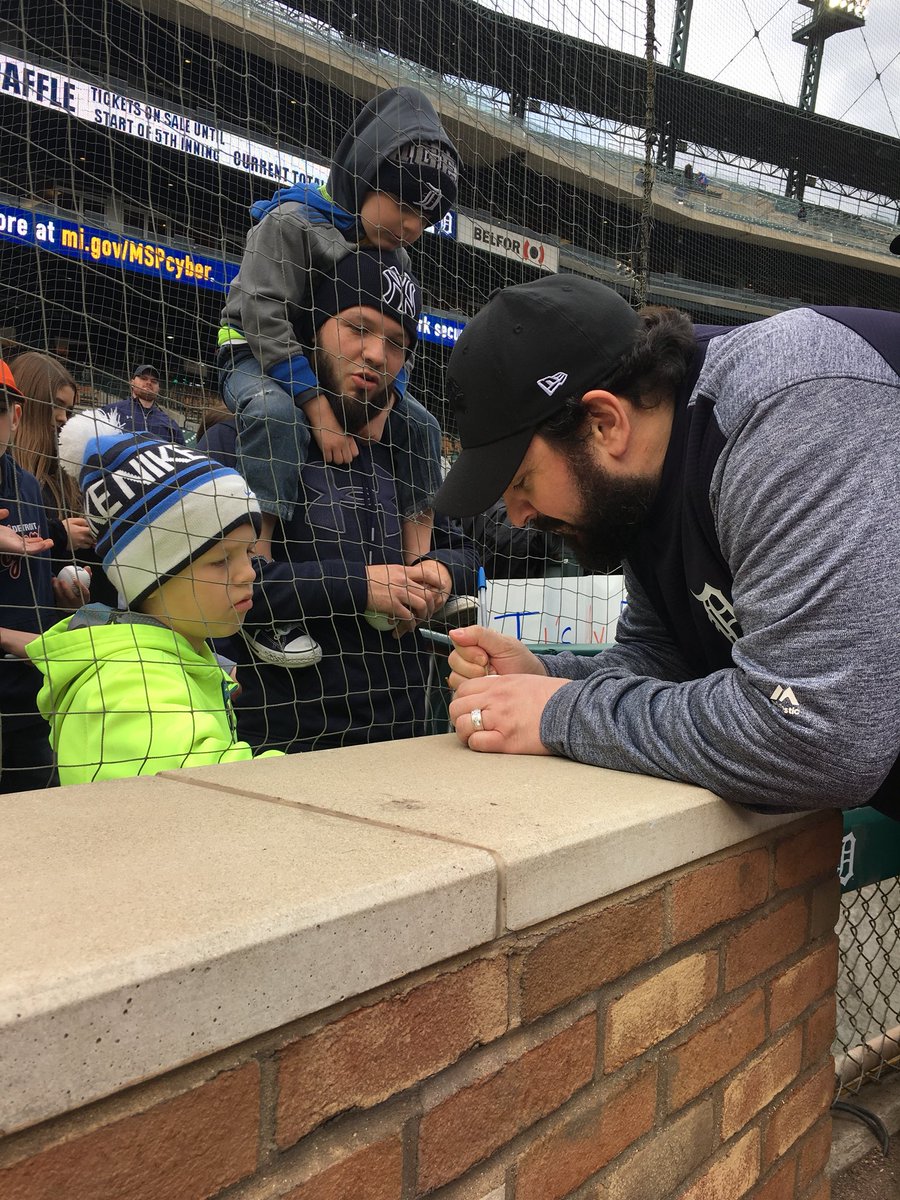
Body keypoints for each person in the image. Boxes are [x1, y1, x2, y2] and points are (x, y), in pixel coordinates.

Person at [433, 274, 900, 818]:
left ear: (605, 423)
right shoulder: (636, 483)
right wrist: (548, 678)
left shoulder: (789, 415)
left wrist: (558, 712)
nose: (517, 515)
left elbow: (821, 739)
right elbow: (669, 656)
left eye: (522, 481)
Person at [218, 86, 459, 663]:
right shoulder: (292, 222)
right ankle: (262, 590)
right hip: (256, 357)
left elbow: (402, 342)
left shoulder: (393, 256)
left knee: (422, 427)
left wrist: (384, 406)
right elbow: (266, 319)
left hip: (335, 376)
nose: (411, 226)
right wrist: (320, 412)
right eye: (402, 205)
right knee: (277, 417)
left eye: (424, 217)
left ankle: (414, 576)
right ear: (363, 178)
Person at [216, 247, 478, 754]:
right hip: (283, 739)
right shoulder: (244, 439)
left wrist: (439, 572)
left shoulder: (407, 447)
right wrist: (359, 586)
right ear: (315, 331)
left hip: (402, 730)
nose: (376, 355)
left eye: (396, 343)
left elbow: (468, 554)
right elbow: (226, 588)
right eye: (357, 328)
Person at [26, 409, 281, 784]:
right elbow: (228, 798)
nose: (247, 573)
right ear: (150, 576)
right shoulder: (133, 689)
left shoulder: (172, 658)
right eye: (220, 560)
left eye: (247, 553)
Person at [0, 360, 87, 793]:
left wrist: (62, 595)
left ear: (14, 415)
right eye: (55, 406)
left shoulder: (27, 486)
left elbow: (31, 586)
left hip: (29, 693)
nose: (62, 417)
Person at [10, 352, 118, 607]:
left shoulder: (67, 475)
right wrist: (59, 536)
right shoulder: (9, 474)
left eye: (68, 409)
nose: (63, 417)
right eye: (56, 404)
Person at [104, 363, 185, 444]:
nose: (149, 382)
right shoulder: (112, 411)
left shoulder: (170, 424)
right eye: (143, 378)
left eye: (154, 381)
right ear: (132, 382)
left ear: (158, 388)